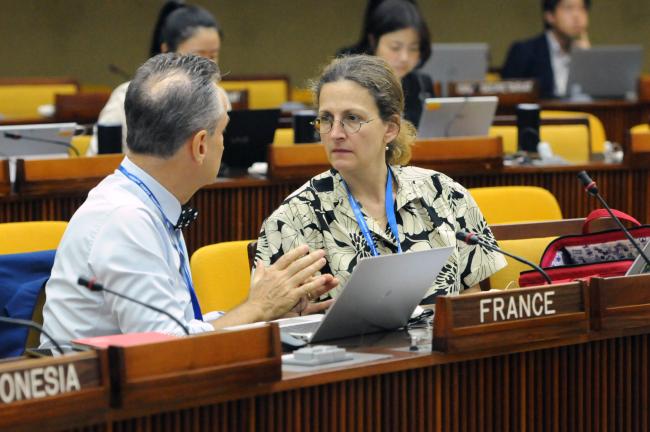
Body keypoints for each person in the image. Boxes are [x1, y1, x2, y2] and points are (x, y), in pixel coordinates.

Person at [41, 54, 337, 349]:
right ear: (199, 146)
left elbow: (179, 327)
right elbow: (164, 349)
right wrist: (256, 308)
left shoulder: (146, 198)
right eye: (222, 131)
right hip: (94, 390)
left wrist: (265, 313)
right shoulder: (125, 219)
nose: (224, 142)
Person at [255, 55, 506, 304]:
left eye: (352, 118)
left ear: (391, 128)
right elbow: (277, 324)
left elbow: (469, 304)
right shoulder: (291, 219)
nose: (336, 133)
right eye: (326, 119)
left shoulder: (445, 193)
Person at [89, 2, 223, 154]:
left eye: (213, 56)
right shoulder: (125, 98)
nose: (206, 64)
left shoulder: (218, 97)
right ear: (166, 50)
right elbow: (98, 161)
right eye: (198, 55)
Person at [338, 0, 434, 127]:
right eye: (395, 47)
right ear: (373, 42)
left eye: (413, 48)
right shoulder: (350, 83)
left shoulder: (422, 84)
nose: (404, 57)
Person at [501, 0, 591, 99]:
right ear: (550, 16)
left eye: (582, 8)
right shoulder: (524, 51)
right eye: (568, 8)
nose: (577, 15)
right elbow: (507, 98)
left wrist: (586, 59)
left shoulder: (586, 53)